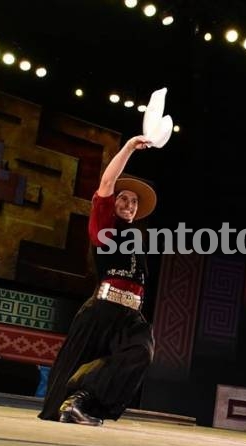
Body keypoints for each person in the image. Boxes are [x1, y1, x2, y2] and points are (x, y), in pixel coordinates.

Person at [39, 135, 158, 426]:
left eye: (134, 202)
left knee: (140, 352)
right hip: (103, 310)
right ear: (113, 203)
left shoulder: (137, 240)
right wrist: (130, 147)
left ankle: (81, 396)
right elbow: (106, 183)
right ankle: (77, 403)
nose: (129, 204)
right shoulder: (104, 227)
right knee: (72, 385)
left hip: (131, 316)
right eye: (124, 198)